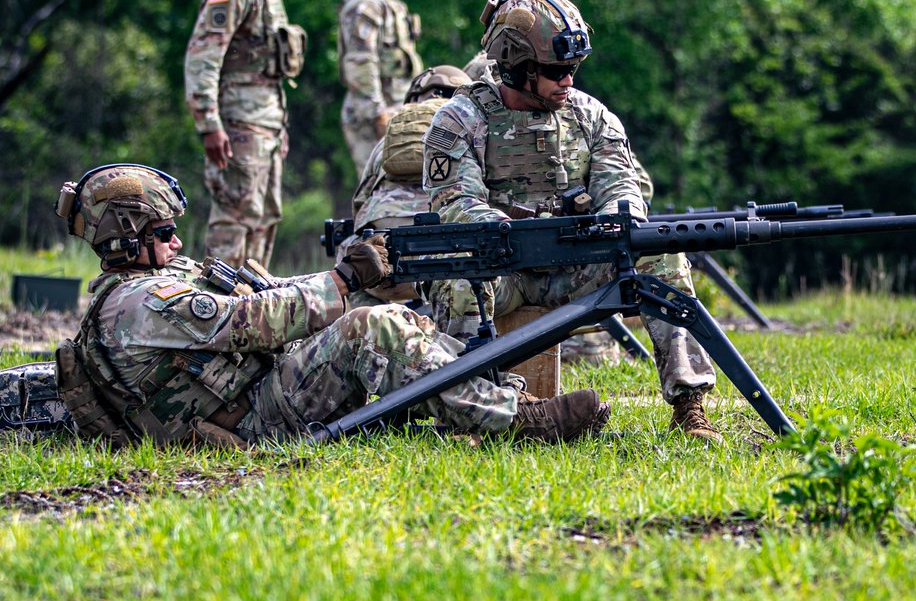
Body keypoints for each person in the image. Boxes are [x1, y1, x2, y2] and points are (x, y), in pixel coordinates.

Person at [52, 164, 610, 449]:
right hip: (252, 422)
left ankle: (481, 403)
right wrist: (343, 279)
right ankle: (519, 420)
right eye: (164, 231)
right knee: (374, 328)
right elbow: (251, 322)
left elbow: (263, 295)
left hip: (256, 395)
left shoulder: (150, 283)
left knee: (381, 311)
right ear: (127, 236)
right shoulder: (141, 303)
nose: (177, 241)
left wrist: (350, 283)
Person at [422, 0, 722, 442]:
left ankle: (689, 407)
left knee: (661, 255)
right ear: (518, 68)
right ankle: (470, 417)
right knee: (459, 280)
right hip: (502, 271)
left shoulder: (591, 116)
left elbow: (620, 185)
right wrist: (509, 231)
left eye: (573, 70)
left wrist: (621, 219)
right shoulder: (458, 121)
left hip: (576, 265)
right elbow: (455, 203)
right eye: (556, 71)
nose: (568, 81)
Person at [185, 0, 307, 269]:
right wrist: (209, 123)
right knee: (235, 217)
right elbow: (203, 57)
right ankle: (216, 309)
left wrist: (279, 127)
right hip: (240, 122)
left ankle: (249, 311)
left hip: (266, 123)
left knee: (264, 218)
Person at [344, 65, 469, 307]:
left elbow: (360, 204)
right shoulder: (472, 129)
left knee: (351, 266)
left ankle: (369, 335)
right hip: (449, 268)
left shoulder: (391, 136)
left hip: (382, 270)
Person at [339, 0, 425, 174]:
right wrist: (378, 115)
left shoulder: (393, 7)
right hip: (374, 119)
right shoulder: (365, 7)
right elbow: (360, 64)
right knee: (376, 187)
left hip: (396, 113)